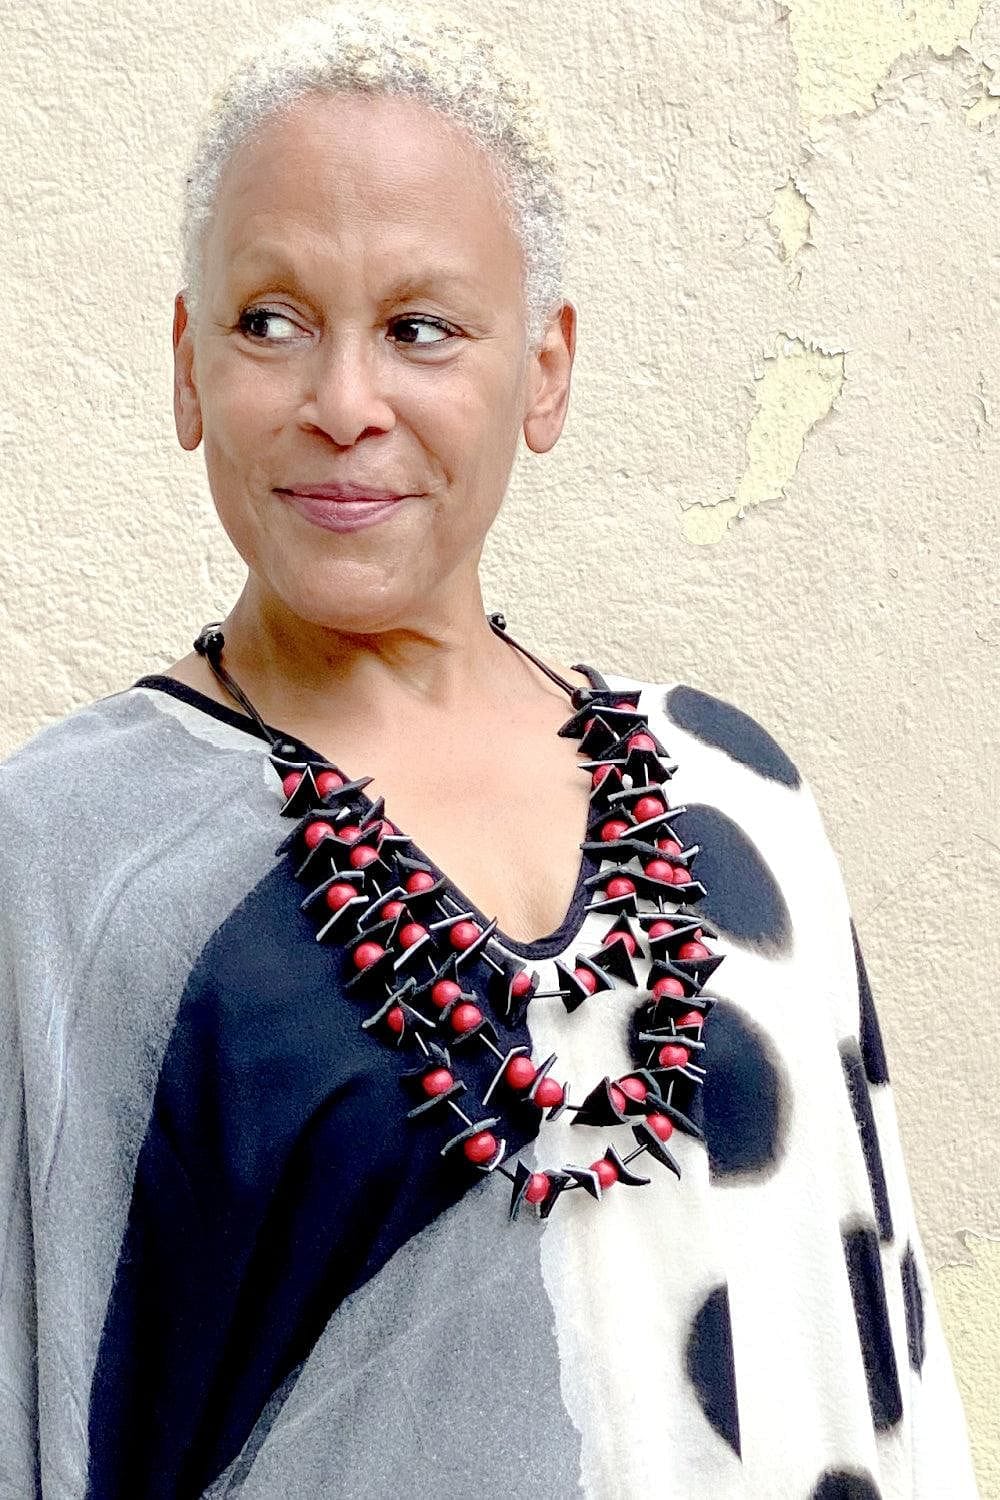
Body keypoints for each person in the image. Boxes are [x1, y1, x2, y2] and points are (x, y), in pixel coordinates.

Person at [0, 5, 980, 1498]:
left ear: (546, 370)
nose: (344, 404)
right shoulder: (71, 861)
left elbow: (879, 1367)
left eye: (421, 327)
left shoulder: (738, 800)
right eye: (271, 320)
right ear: (190, 367)